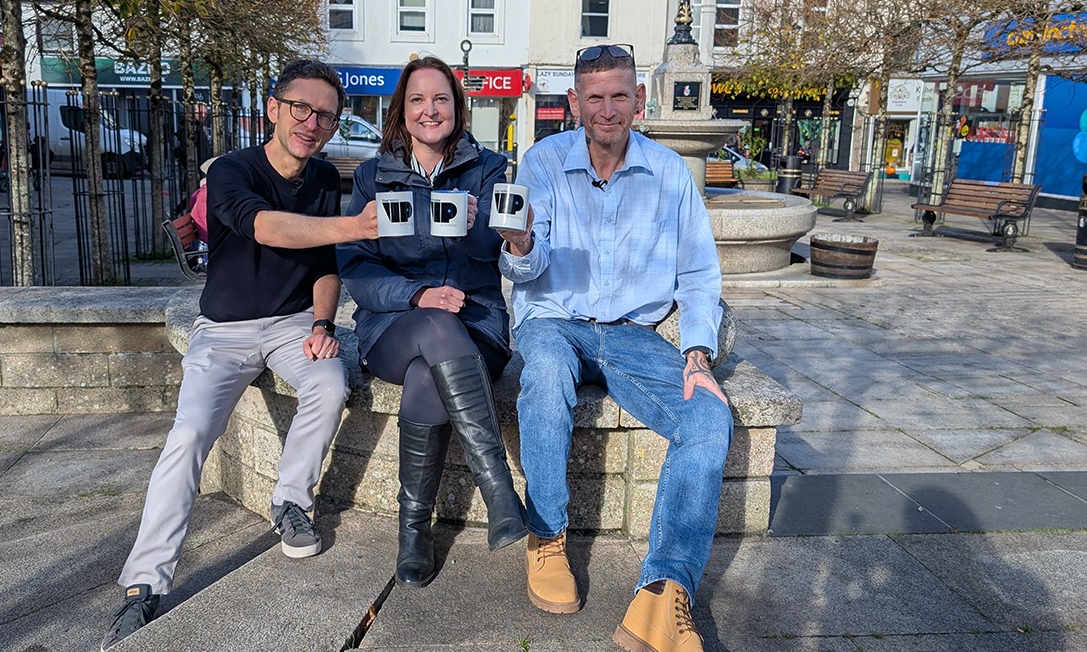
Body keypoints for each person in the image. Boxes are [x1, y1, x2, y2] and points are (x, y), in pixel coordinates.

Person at [100, 59, 380, 650]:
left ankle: (290, 503)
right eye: (301, 108)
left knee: (330, 384)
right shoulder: (232, 170)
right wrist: (356, 227)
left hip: (294, 325)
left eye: (326, 115)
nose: (312, 122)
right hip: (224, 330)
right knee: (189, 435)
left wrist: (323, 322)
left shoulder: (324, 178)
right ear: (274, 109)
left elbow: (325, 266)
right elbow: (267, 228)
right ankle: (144, 583)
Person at [497, 43, 732, 652]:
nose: (607, 109)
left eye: (619, 95)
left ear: (639, 99)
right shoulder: (544, 162)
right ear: (574, 102)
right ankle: (546, 535)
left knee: (709, 414)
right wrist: (520, 245)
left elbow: (698, 275)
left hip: (633, 334)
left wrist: (698, 354)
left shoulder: (670, 172)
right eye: (594, 97)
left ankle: (663, 592)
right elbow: (527, 270)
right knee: (545, 376)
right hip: (555, 320)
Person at [336, 56, 526, 589]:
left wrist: (490, 230)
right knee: (432, 324)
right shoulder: (373, 176)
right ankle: (498, 489)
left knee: (428, 372)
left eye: (441, 98)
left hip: (477, 326)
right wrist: (417, 294)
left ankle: (413, 531)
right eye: (417, 99)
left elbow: (497, 250)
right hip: (392, 327)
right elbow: (356, 267)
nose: (430, 110)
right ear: (402, 110)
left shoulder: (488, 169)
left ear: (457, 108)